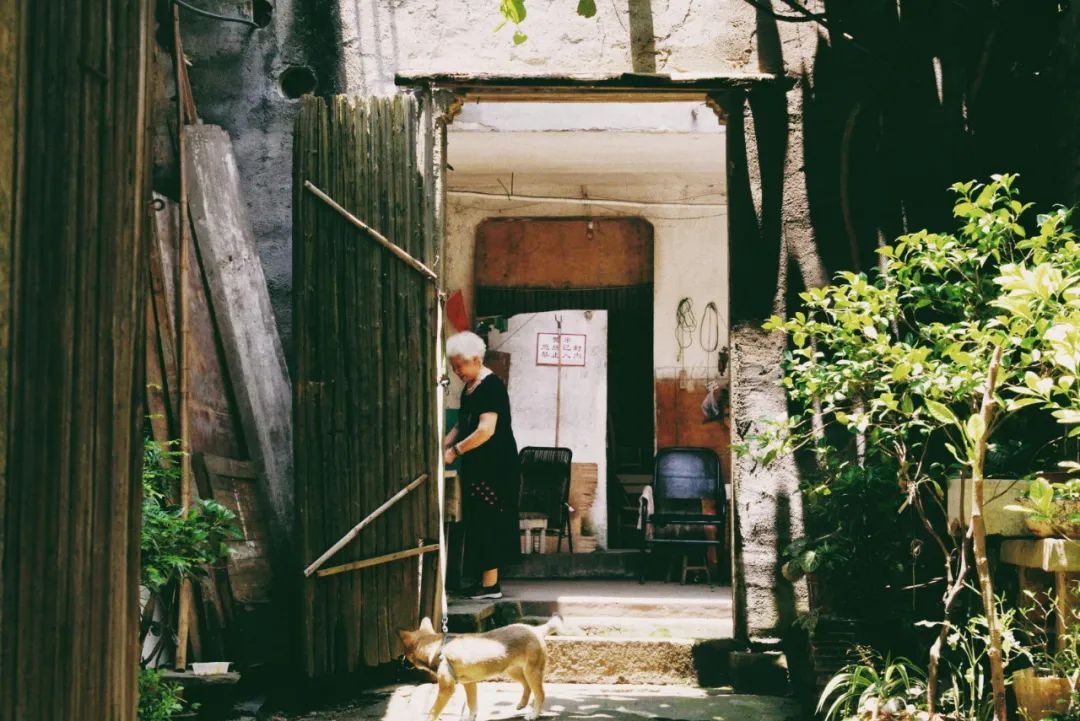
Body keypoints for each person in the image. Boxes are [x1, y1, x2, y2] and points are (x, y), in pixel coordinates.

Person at [443, 331, 520, 600]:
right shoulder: (470, 387)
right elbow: (461, 423)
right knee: (477, 519)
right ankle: (482, 581)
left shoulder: (491, 386)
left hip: (496, 467)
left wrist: (454, 451)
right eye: (454, 367)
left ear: (475, 359)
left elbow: (485, 430)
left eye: (459, 365)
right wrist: (443, 445)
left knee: (489, 519)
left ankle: (491, 586)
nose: (456, 371)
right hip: (478, 465)